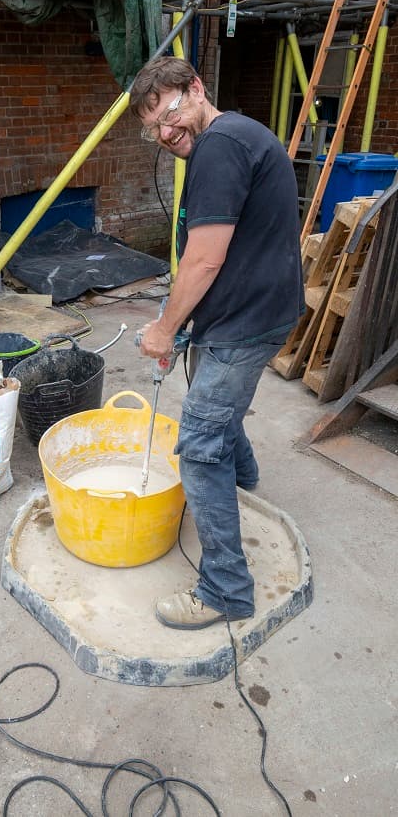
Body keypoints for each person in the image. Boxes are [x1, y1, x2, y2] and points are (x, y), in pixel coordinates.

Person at [130, 56, 304, 630]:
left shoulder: (221, 145)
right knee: (215, 402)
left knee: (200, 446)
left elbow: (204, 258)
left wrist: (163, 329)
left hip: (245, 321)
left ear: (197, 89)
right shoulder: (239, 135)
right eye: (154, 127)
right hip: (253, 310)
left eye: (172, 112)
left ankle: (225, 588)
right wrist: (182, 318)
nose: (166, 133)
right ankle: (245, 476)